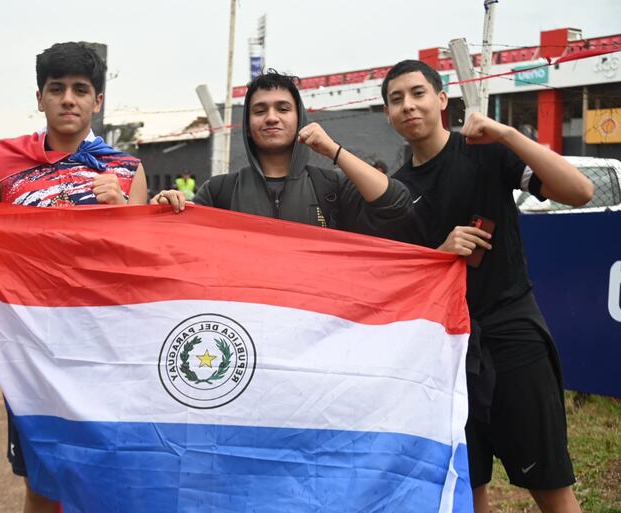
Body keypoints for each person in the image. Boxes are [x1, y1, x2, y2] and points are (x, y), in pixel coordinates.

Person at [0, 41, 148, 513]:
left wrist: (123, 209)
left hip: (106, 346)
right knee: (42, 479)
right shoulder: (7, 163)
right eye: (56, 89)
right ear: (39, 98)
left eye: (80, 89)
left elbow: (144, 262)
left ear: (98, 101)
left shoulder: (127, 169)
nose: (68, 99)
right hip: (33, 349)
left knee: (111, 473)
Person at [381, 59, 593, 513]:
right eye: (396, 99)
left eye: (418, 93)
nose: (408, 106)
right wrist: (441, 252)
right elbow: (400, 278)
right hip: (447, 351)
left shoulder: (487, 151)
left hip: (512, 336)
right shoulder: (395, 190)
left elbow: (580, 192)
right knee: (466, 487)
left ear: (442, 100)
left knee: (550, 484)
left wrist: (508, 134)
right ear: (387, 114)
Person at [153, 69, 411, 236]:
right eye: (260, 110)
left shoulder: (331, 187)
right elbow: (179, 242)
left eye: (283, 109)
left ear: (300, 118)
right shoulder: (220, 191)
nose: (271, 118)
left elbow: (396, 204)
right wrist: (164, 210)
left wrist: (334, 150)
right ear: (248, 124)